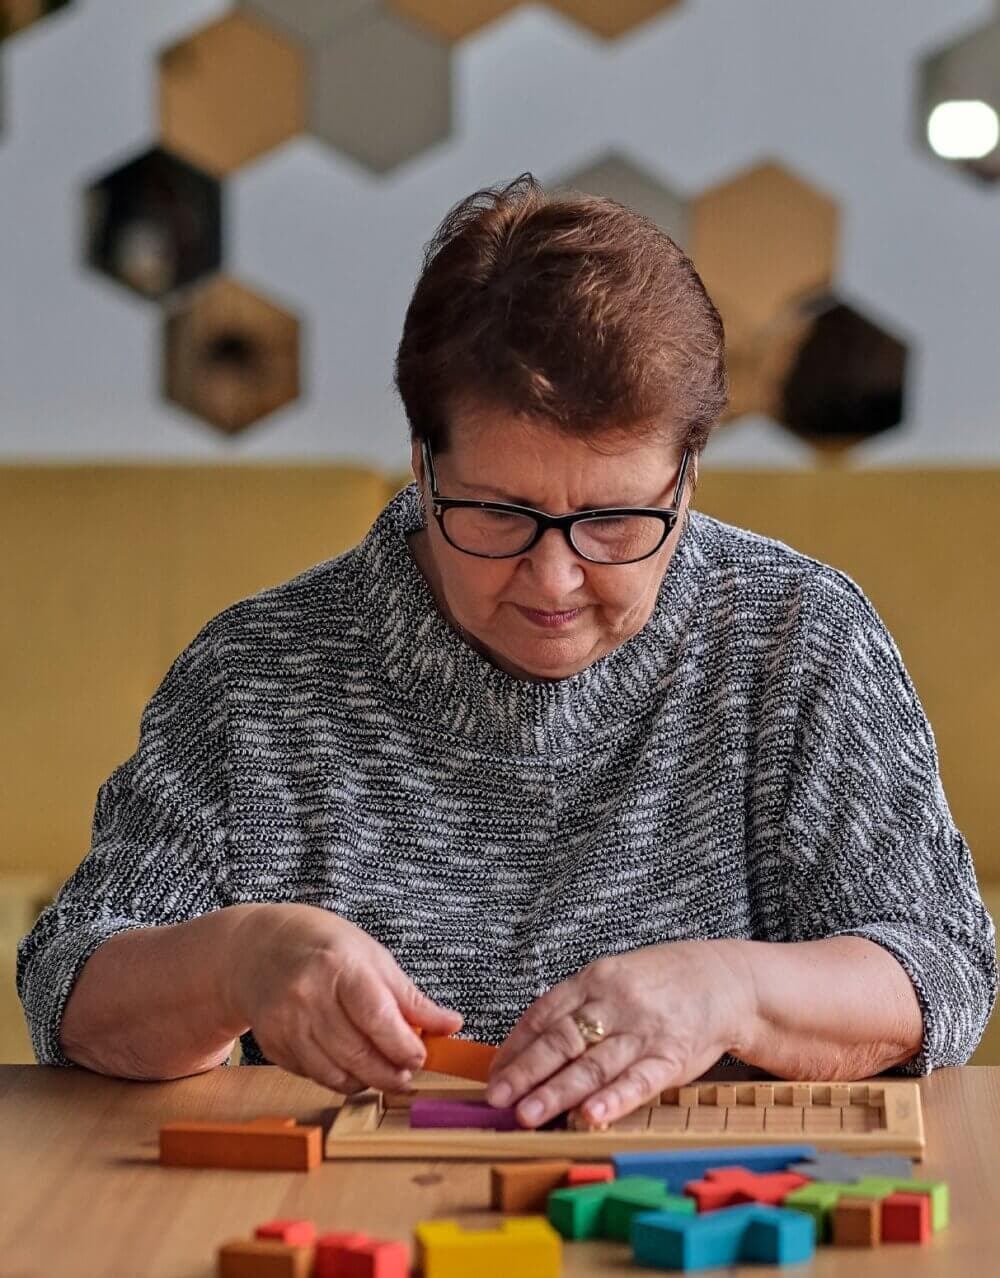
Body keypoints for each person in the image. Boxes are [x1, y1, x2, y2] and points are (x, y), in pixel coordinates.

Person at [18, 175, 996, 1132]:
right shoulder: (256, 677)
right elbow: (69, 987)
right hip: (345, 1213)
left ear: (686, 479)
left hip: (698, 1209)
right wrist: (241, 960)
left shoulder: (797, 638)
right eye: (497, 513)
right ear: (422, 464)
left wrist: (730, 991)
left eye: (614, 520)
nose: (554, 580)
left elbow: (943, 965)